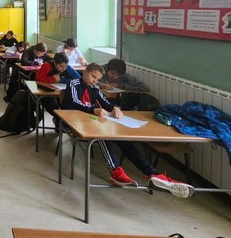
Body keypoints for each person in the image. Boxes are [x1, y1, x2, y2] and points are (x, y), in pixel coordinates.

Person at [62, 63, 195, 197]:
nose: (94, 81)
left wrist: (115, 107)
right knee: (101, 135)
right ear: (85, 72)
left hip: (90, 121)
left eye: (97, 79)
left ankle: (154, 174)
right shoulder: (73, 83)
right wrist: (92, 109)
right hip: (71, 121)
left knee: (122, 139)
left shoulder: (94, 88)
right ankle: (115, 172)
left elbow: (105, 103)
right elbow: (74, 102)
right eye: (93, 76)